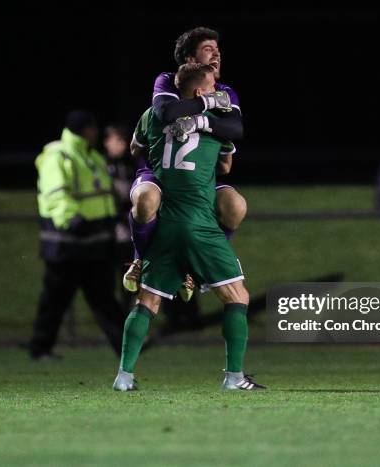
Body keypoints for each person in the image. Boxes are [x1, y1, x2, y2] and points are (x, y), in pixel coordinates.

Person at [113, 64, 264, 391]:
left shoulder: (152, 116)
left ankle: (124, 376)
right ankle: (234, 377)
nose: (216, 91)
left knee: (147, 302)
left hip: (165, 223)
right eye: (211, 86)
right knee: (237, 296)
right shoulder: (215, 126)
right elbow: (225, 164)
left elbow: (137, 149)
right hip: (200, 225)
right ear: (198, 93)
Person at [124, 27, 247, 294]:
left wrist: (198, 120)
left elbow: (235, 130)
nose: (216, 53)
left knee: (236, 206)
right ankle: (139, 259)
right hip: (160, 175)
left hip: (196, 181)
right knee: (146, 199)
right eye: (207, 49)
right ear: (190, 60)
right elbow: (168, 112)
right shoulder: (167, 81)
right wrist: (208, 104)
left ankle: (199, 266)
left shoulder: (225, 90)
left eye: (217, 49)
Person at [29, 110, 124, 360]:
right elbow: (55, 194)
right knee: (55, 301)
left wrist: (112, 217)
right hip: (68, 244)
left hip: (95, 242)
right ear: (85, 130)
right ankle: (40, 349)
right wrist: (71, 220)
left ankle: (127, 348)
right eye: (93, 128)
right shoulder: (58, 155)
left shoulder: (92, 157)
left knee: (105, 301)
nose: (97, 133)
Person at [103, 125, 136, 316]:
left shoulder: (130, 165)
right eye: (117, 140)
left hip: (128, 232)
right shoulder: (102, 165)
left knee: (129, 276)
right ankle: (117, 316)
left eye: (123, 140)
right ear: (107, 142)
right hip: (111, 231)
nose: (122, 145)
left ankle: (127, 315)